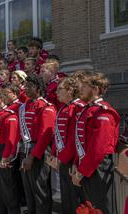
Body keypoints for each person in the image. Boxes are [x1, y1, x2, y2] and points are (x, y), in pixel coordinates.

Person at [72, 71, 120, 214]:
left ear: (95, 89)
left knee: (100, 208)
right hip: (87, 164)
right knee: (89, 207)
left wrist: (81, 172)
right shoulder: (89, 109)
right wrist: (76, 163)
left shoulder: (103, 112)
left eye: (84, 86)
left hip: (98, 167)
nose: (81, 89)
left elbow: (98, 149)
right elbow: (81, 140)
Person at [46, 77, 85, 214]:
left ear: (70, 90)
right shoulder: (63, 107)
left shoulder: (77, 108)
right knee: (66, 198)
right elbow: (58, 134)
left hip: (71, 161)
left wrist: (63, 158)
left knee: (75, 200)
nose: (57, 93)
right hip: (63, 159)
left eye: (60, 89)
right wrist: (54, 154)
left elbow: (74, 139)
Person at [19, 74, 56, 214]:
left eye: (29, 86)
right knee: (29, 190)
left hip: (38, 152)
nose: (25, 88)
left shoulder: (46, 107)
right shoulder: (26, 106)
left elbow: (44, 137)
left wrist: (32, 157)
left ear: (39, 88)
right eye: (25, 86)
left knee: (40, 190)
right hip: (25, 150)